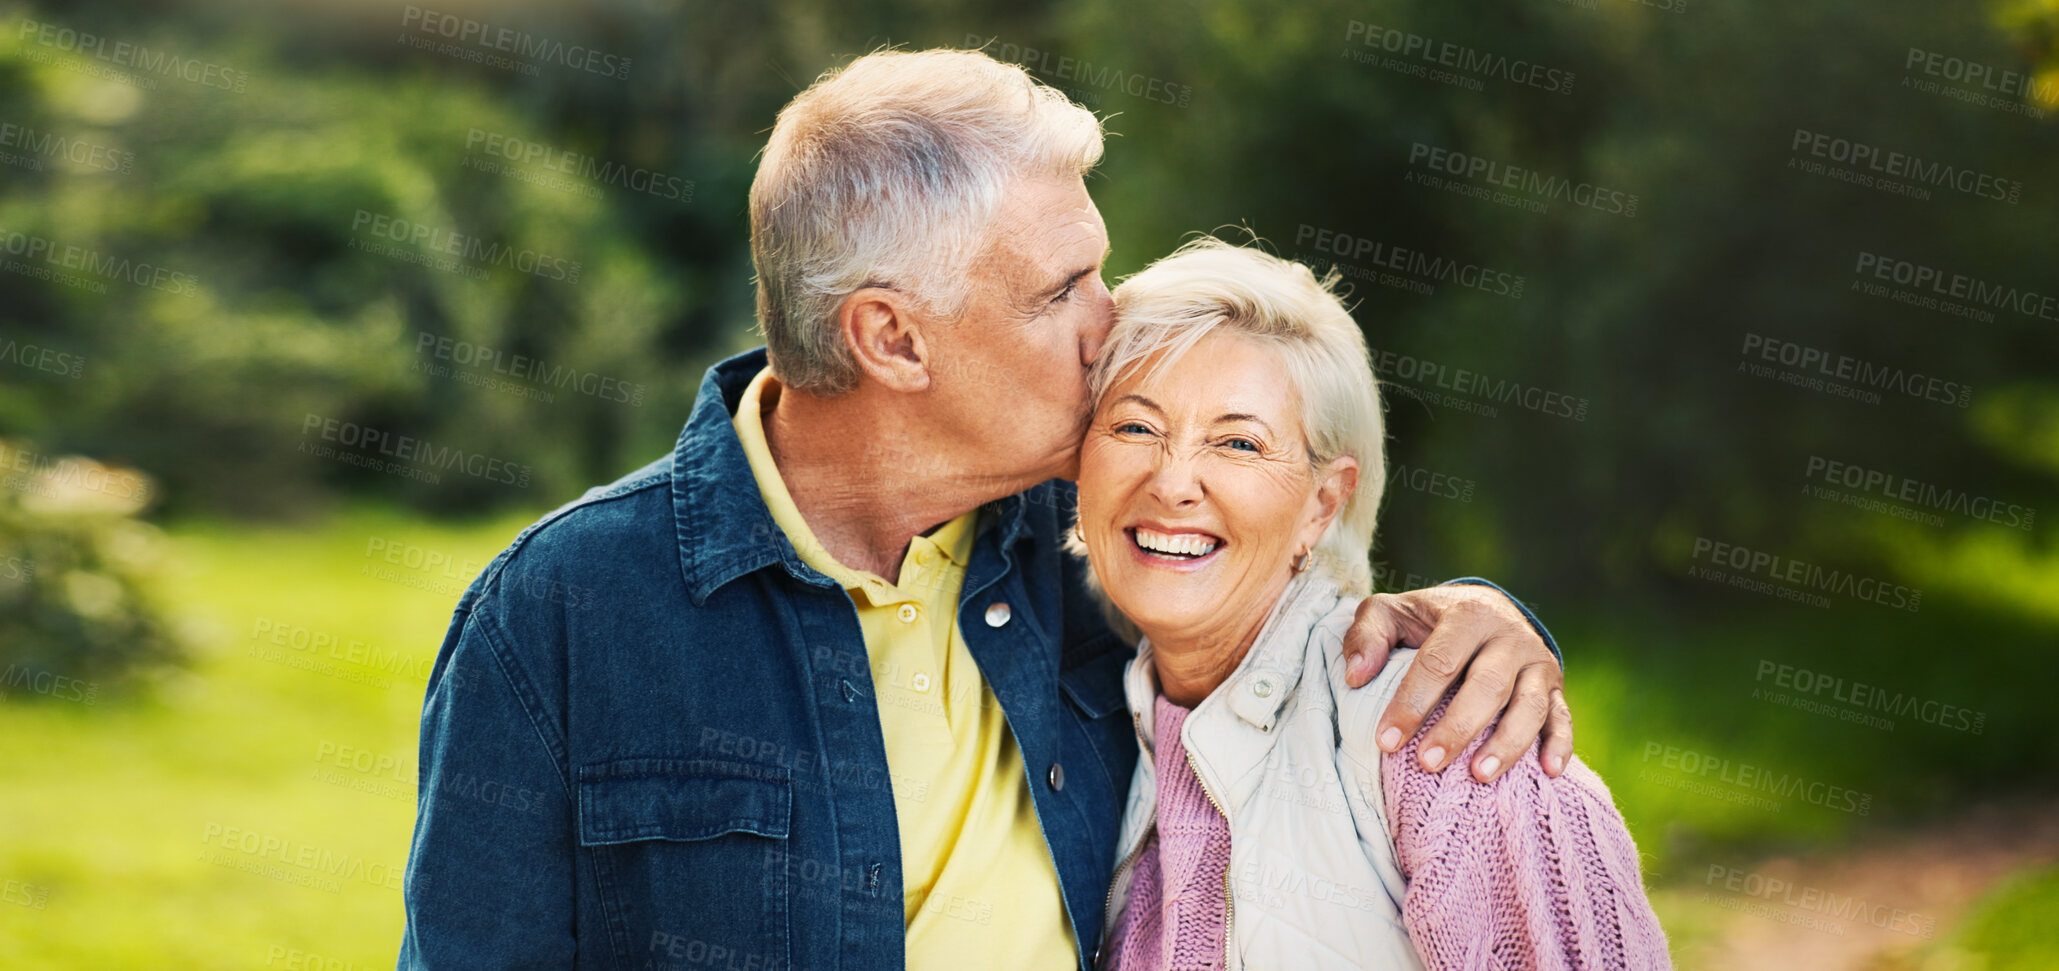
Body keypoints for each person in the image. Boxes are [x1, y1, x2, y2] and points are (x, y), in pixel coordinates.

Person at [398, 49, 1574, 970]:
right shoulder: (561, 613)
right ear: (891, 337)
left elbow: (1290, 618)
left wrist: (1481, 614)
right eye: (1061, 290)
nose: (1109, 324)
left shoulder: (1092, 543)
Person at [1077, 239, 1668, 970]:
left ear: (1322, 504)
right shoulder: (1084, 724)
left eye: (1238, 442)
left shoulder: (1444, 737)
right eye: (1136, 426)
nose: (1172, 483)